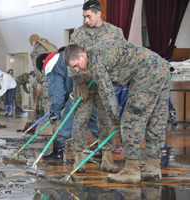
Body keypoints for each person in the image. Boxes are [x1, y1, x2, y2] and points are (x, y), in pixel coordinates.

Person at [64, 41, 170, 184]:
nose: (76, 70)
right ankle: (153, 167)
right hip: (161, 67)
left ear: (82, 55)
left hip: (146, 73)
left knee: (131, 118)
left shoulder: (96, 62)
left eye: (76, 65)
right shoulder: (97, 51)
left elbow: (107, 94)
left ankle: (131, 171)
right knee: (156, 118)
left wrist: (115, 120)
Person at [68, 0, 126, 172]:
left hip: (104, 86)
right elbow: (70, 59)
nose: (86, 20)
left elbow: (122, 55)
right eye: (84, 17)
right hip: (84, 85)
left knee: (105, 121)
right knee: (80, 121)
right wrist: (79, 83)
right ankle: (78, 157)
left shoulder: (115, 32)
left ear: (99, 13)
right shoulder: (78, 34)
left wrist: (115, 78)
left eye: (89, 16)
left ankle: (107, 158)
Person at [35, 49, 74, 161]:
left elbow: (58, 94)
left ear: (43, 63)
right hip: (87, 87)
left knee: (66, 121)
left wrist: (55, 112)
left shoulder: (51, 65)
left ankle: (57, 154)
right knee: (95, 120)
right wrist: (59, 107)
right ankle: (104, 151)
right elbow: (65, 89)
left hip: (78, 91)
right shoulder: (62, 57)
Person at [29, 34, 58, 117]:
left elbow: (37, 68)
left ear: (34, 42)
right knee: (57, 102)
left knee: (48, 103)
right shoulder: (51, 46)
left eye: (31, 44)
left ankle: (49, 126)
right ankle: (57, 125)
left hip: (47, 79)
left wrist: (39, 82)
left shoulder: (37, 49)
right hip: (59, 78)